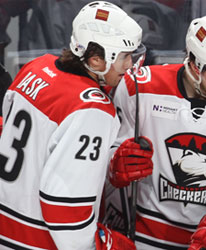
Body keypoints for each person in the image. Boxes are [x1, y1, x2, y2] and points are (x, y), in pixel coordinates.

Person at [102, 11, 206, 249]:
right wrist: (115, 163)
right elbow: (108, 151)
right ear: (195, 65)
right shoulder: (138, 87)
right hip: (151, 234)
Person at [0, 1, 151, 249]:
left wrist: (109, 164)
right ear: (95, 60)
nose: (129, 66)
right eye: (124, 56)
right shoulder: (93, 109)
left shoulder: (35, 67)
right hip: (38, 240)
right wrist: (99, 244)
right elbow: (63, 205)